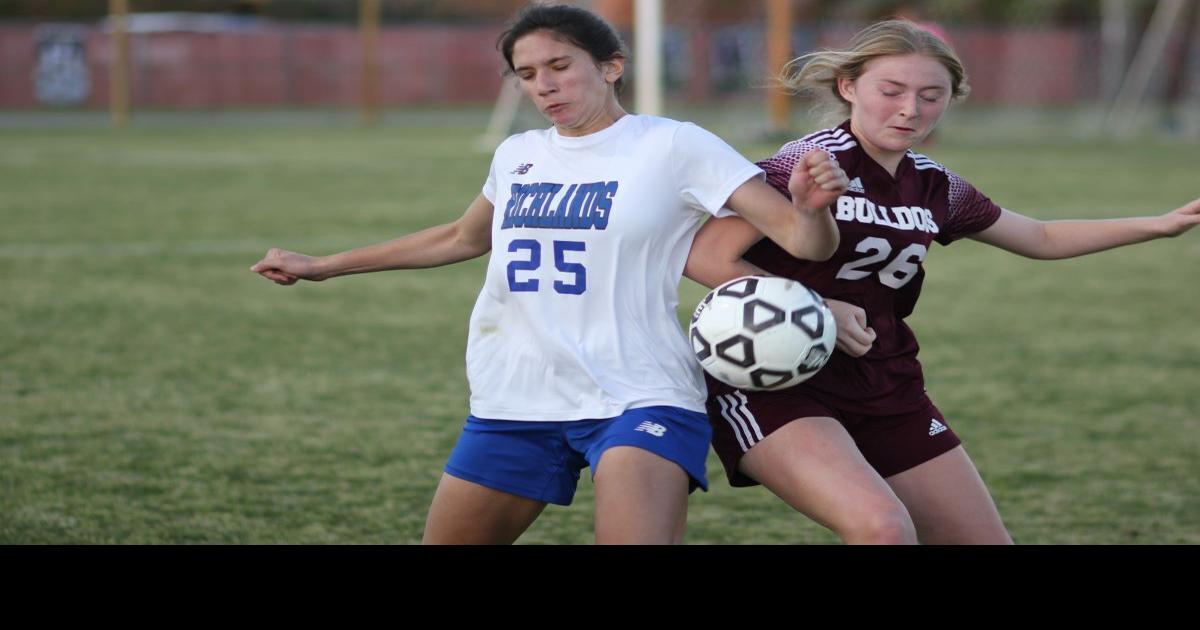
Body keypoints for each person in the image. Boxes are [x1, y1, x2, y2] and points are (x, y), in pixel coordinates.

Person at [250, 4, 844, 544]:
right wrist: (321, 267)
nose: (545, 84)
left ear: (611, 67)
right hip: (516, 395)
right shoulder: (518, 155)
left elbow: (801, 240)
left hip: (641, 392)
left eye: (559, 65)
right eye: (528, 74)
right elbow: (462, 238)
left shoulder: (675, 145)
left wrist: (814, 211)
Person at [685, 19, 1200, 544]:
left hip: (886, 382)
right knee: (882, 528)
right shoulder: (806, 163)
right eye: (891, 91)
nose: (911, 109)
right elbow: (705, 257)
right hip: (778, 383)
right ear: (849, 87)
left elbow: (1040, 236)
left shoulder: (936, 185)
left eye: (932, 96)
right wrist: (817, 309)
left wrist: (1160, 225)